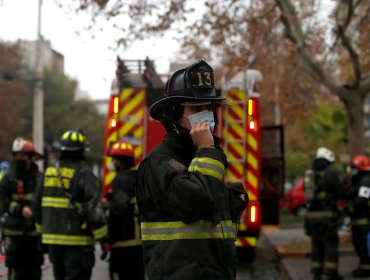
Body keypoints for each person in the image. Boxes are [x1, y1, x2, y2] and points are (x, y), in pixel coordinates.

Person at [136, 59, 248, 280]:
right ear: (175, 113)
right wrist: (206, 149)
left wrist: (232, 199)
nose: (206, 116)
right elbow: (195, 203)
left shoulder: (200, 157)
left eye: (209, 108)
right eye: (196, 109)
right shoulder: (160, 162)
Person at [32, 129, 108, 280]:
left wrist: (41, 234)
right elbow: (94, 212)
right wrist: (104, 239)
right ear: (81, 151)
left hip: (52, 241)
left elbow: (36, 206)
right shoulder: (84, 175)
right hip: (77, 243)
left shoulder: (48, 173)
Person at [0, 137, 44, 279]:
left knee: (34, 272)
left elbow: (44, 201)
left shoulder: (39, 178)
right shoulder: (7, 179)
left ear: (31, 158)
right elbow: (2, 201)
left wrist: (34, 211)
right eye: (17, 155)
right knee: (16, 272)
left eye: (23, 155)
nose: (20, 158)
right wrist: (20, 210)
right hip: (14, 234)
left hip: (34, 234)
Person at [104, 141, 145, 280]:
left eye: (114, 160)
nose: (112, 163)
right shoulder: (136, 177)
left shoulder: (122, 180)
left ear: (120, 162)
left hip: (124, 243)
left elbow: (118, 208)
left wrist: (106, 207)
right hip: (137, 243)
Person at [304, 147, 346, 280]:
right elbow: (342, 192)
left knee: (316, 243)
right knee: (330, 243)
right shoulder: (330, 173)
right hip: (327, 215)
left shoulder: (310, 174)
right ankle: (331, 273)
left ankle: (317, 273)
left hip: (311, 216)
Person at [347, 155, 370, 278]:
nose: (352, 172)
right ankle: (363, 268)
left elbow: (361, 200)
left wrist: (350, 208)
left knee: (363, 246)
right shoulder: (359, 182)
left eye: (354, 169)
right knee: (360, 246)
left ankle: (366, 270)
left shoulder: (366, 181)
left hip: (364, 221)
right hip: (359, 220)